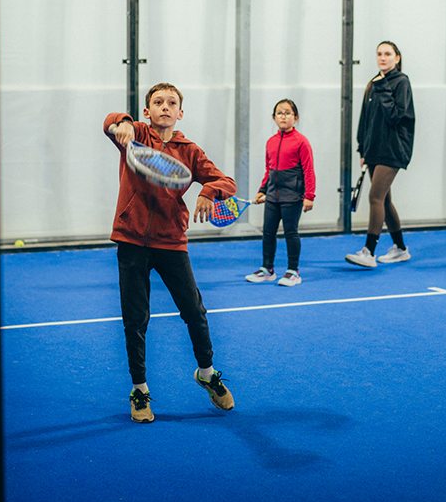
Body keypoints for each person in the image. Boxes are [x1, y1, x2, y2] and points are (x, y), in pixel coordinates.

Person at [104, 83, 237, 423]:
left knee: (194, 311)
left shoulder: (189, 151)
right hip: (131, 240)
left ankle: (207, 373)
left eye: (172, 103)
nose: (165, 107)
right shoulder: (135, 136)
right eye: (158, 102)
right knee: (135, 320)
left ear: (181, 113)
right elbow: (112, 122)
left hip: (170, 241)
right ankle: (140, 390)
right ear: (147, 112)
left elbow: (226, 182)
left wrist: (208, 191)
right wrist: (121, 122)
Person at [345, 41, 415, 268]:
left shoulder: (400, 82)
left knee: (375, 197)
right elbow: (365, 120)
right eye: (379, 54)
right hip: (374, 150)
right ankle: (400, 249)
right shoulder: (372, 84)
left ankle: (369, 252)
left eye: (387, 54)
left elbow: (395, 115)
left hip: (394, 149)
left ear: (397, 57)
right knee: (384, 198)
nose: (383, 58)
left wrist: (383, 87)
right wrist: (362, 149)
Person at [245, 99, 315, 287]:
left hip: (292, 196)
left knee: (291, 232)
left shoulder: (302, 142)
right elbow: (269, 170)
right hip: (272, 196)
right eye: (279, 113)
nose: (283, 116)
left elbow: (308, 170)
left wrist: (309, 196)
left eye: (287, 113)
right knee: (268, 233)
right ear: (274, 118)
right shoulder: (271, 142)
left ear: (296, 117)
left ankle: (293, 271)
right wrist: (262, 190)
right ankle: (267, 269)